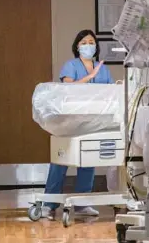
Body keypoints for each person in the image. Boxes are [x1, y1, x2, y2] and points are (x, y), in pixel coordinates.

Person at [41, 29, 114, 219]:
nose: (88, 45)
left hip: (93, 120)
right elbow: (68, 87)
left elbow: (111, 91)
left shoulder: (103, 68)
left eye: (91, 42)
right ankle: (49, 204)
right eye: (84, 42)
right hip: (70, 120)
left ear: (96, 46)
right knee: (61, 160)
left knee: (88, 160)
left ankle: (82, 204)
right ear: (77, 46)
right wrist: (89, 78)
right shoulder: (71, 65)